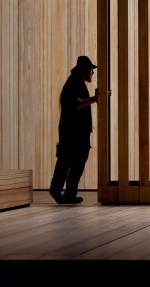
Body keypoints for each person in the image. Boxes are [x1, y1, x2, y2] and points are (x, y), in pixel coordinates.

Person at [50, 56, 110, 204]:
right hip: (73, 130)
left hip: (75, 130)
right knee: (71, 161)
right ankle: (58, 189)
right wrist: (95, 99)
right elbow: (75, 104)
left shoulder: (75, 82)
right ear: (85, 69)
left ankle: (68, 193)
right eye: (91, 69)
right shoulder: (75, 83)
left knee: (72, 161)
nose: (93, 73)